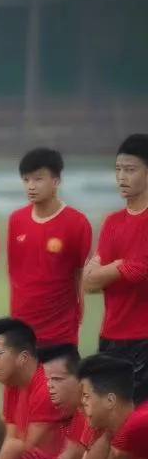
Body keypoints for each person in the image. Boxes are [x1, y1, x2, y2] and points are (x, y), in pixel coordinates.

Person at [84, 134, 148, 404]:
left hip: (144, 338)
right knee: (104, 416)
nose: (122, 177)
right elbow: (89, 283)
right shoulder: (112, 222)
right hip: (110, 336)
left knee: (138, 418)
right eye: (118, 170)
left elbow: (140, 271)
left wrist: (109, 269)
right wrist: (120, 266)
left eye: (130, 170)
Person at [6, 148, 91, 348]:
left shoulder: (77, 223)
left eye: (38, 179)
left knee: (59, 379)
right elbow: (14, 270)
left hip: (60, 330)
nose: (31, 186)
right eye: (26, 180)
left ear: (56, 181)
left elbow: (81, 273)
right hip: (21, 328)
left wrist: (78, 314)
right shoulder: (16, 220)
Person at [0, 318, 71, 459]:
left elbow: (25, 450)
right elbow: (10, 438)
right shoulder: (12, 382)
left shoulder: (47, 389)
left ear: (23, 358)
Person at [24, 345, 93, 459]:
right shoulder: (76, 409)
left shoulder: (90, 408)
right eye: (48, 380)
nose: (50, 387)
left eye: (57, 379)